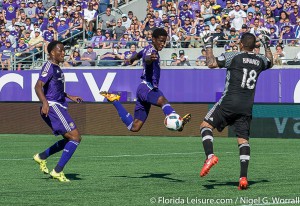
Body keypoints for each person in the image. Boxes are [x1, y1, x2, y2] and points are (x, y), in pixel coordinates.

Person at [199, 31, 273, 190]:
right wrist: (267, 44)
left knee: (205, 126)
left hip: (229, 102)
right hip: (246, 106)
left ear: (241, 44)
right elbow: (270, 61)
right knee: (243, 140)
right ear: (255, 46)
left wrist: (208, 45)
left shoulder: (234, 56)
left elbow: (211, 63)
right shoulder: (259, 60)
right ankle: (243, 177)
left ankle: (210, 156)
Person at [100, 28, 191, 133]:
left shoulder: (147, 48)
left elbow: (138, 55)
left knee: (135, 127)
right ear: (153, 39)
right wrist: (149, 59)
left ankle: (114, 100)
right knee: (162, 100)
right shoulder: (152, 52)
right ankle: (176, 120)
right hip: (147, 87)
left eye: (164, 41)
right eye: (160, 41)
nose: (163, 44)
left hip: (143, 89)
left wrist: (131, 60)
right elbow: (147, 58)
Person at [33, 41, 83, 182]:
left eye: (64, 50)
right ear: (52, 53)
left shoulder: (57, 68)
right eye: (60, 51)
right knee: (75, 137)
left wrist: (69, 96)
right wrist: (45, 103)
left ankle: (41, 156)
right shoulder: (48, 66)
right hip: (53, 106)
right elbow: (38, 86)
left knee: (70, 138)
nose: (63, 53)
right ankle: (57, 170)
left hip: (59, 105)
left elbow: (55, 88)